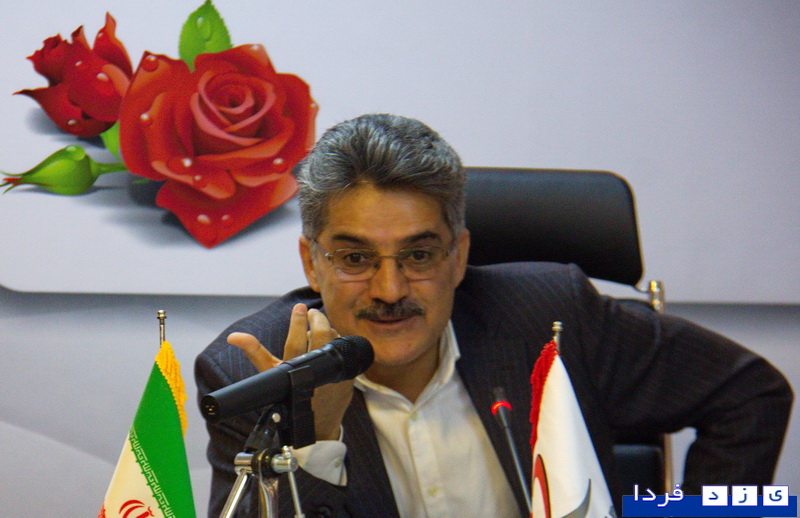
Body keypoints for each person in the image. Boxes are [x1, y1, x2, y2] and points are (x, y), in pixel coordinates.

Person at [195, 113, 792, 517]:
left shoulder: (550, 315)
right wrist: (316, 439)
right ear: (311, 262)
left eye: (419, 255)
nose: (389, 288)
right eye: (355, 258)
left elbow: (752, 393)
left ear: (459, 256)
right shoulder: (250, 375)